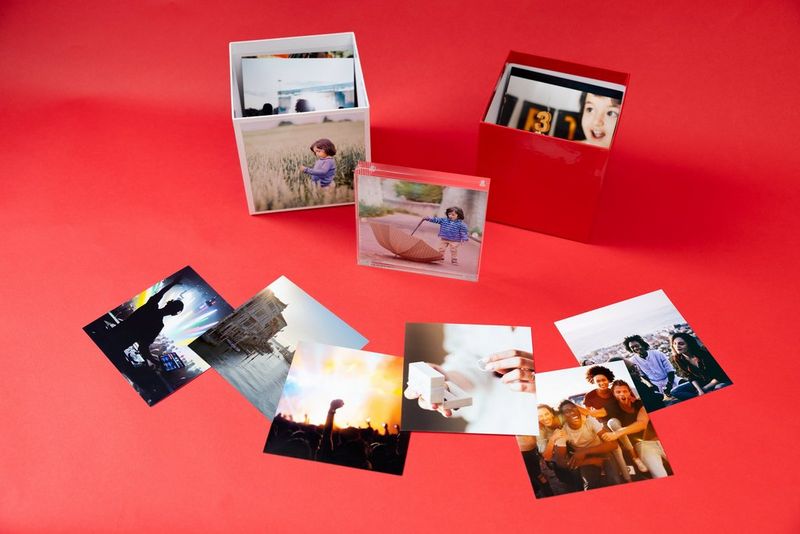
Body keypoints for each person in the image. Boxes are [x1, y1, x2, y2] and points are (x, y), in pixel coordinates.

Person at [403, 325, 536, 435]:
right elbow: (470, 359)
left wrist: (547, 381)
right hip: (489, 431)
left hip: (544, 429)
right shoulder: (463, 301)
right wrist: (446, 379)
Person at [101, 276, 184, 369]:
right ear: (173, 314)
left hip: (111, 335)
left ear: (168, 303)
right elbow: (143, 348)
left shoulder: (151, 306)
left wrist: (173, 283)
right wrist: (155, 361)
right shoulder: (158, 325)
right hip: (118, 346)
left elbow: (160, 293)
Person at [580, 366, 648, 477]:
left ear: (608, 380)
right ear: (593, 381)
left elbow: (632, 402)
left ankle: (635, 458)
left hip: (621, 419)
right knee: (614, 443)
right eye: (598, 381)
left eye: (604, 380)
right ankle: (627, 472)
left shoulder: (615, 390)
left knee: (614, 423)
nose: (602, 383)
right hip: (603, 423)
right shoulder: (590, 396)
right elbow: (589, 414)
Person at [602, 380, 670, 478]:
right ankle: (635, 457)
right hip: (644, 445)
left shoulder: (639, 403)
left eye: (625, 391)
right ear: (614, 394)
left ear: (629, 392)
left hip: (661, 440)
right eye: (618, 392)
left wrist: (617, 433)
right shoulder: (612, 408)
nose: (622, 394)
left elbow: (642, 423)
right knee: (660, 475)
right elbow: (598, 413)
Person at [550, 400, 622, 491]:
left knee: (615, 481)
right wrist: (591, 461)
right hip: (584, 458)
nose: (573, 412)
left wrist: (584, 451)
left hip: (602, 451)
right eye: (567, 411)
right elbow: (560, 461)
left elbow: (613, 444)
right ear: (563, 416)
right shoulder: (562, 431)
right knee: (590, 485)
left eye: (574, 409)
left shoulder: (589, 421)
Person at [668, 333, 731, 400]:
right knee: (675, 391)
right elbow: (690, 376)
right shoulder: (679, 358)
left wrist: (704, 389)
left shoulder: (704, 354)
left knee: (718, 388)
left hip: (719, 380)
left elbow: (720, 375)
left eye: (681, 343)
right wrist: (699, 390)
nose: (677, 346)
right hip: (702, 381)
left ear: (689, 344)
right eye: (674, 344)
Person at [623, 335, 677, 401]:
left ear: (642, 344)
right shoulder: (633, 361)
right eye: (632, 347)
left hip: (670, 379)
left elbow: (670, 370)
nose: (635, 348)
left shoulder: (657, 353)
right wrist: (652, 385)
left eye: (636, 345)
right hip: (655, 384)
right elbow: (642, 375)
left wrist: (670, 384)